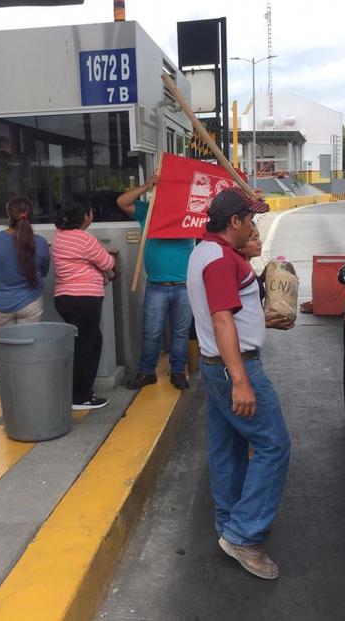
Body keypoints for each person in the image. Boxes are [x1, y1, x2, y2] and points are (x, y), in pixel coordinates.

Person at [186, 187, 292, 580]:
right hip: (234, 367)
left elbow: (234, 312)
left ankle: (229, 522)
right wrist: (242, 381)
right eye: (249, 218)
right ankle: (244, 536)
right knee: (273, 444)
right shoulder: (217, 260)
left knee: (227, 446)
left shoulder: (209, 251)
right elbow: (221, 319)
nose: (253, 225)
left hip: (220, 367)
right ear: (234, 221)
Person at [116, 175, 194, 390]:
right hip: (156, 285)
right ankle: (147, 372)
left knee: (180, 332)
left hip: (184, 285)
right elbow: (122, 202)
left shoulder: (188, 213)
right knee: (152, 332)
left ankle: (178, 372)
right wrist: (146, 187)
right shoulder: (147, 211)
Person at [51, 197, 116, 410]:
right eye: (90, 212)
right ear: (84, 217)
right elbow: (107, 262)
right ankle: (80, 396)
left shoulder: (59, 236)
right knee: (86, 346)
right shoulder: (84, 239)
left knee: (87, 343)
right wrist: (106, 259)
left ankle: (78, 391)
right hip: (85, 300)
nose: (92, 216)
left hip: (64, 298)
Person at [0, 197, 51, 326]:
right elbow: (44, 272)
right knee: (28, 344)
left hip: (1, 305)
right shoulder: (40, 242)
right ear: (32, 215)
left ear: (8, 215)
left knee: (5, 345)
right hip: (31, 303)